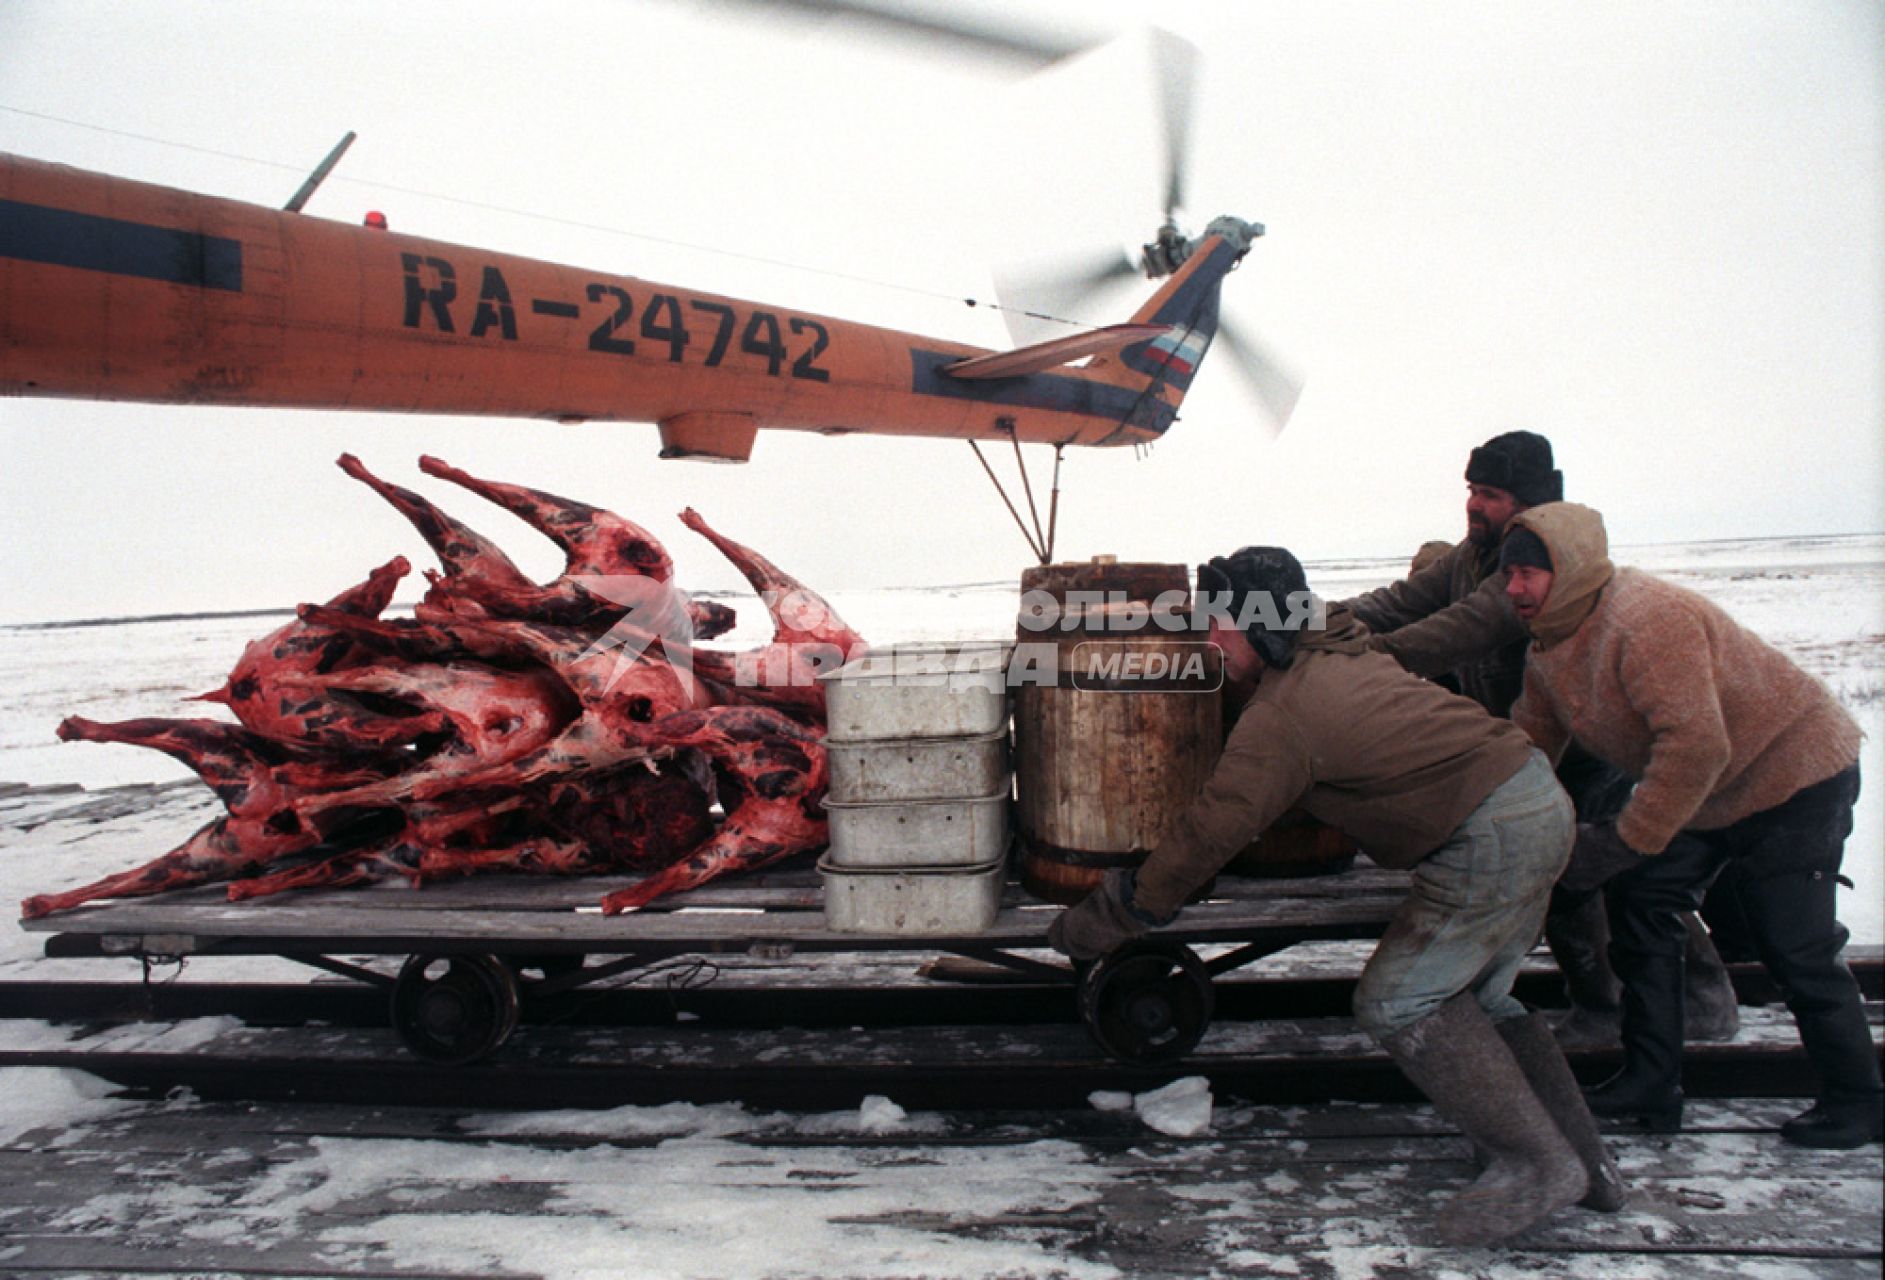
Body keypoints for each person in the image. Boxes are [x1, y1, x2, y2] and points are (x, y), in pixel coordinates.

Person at [1049, 546, 1624, 1246]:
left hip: (1491, 831)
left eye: (1217, 625)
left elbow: (1209, 832)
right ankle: (1583, 1163)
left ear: (1257, 627)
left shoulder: (1286, 714)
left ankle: (1531, 1161)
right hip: (1533, 801)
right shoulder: (1340, 647)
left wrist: (1114, 914)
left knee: (1397, 999)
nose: (1207, 641)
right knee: (1483, 999)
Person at [1502, 502, 1881, 1149]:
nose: (1512, 588)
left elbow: (1693, 747)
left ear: (1570, 569)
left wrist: (1621, 841)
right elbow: (1527, 743)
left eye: (1528, 574)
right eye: (1507, 574)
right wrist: (1475, 804)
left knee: (1794, 944)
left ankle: (1858, 1099)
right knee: (1641, 905)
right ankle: (1651, 1081)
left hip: (1794, 774)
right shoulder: (1551, 644)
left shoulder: (1644, 619)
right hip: (1711, 792)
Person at [1342, 431, 1738, 1045]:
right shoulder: (1470, 557)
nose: (1474, 504)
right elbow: (1396, 603)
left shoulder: (1538, 561)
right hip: (1532, 742)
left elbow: (1462, 629)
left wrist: (1361, 658)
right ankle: (1603, 1004)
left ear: (1528, 502)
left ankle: (1698, 999)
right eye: (1472, 490)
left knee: (1620, 874)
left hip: (1589, 749)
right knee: (1566, 879)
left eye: (1491, 494)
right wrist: (1299, 620)